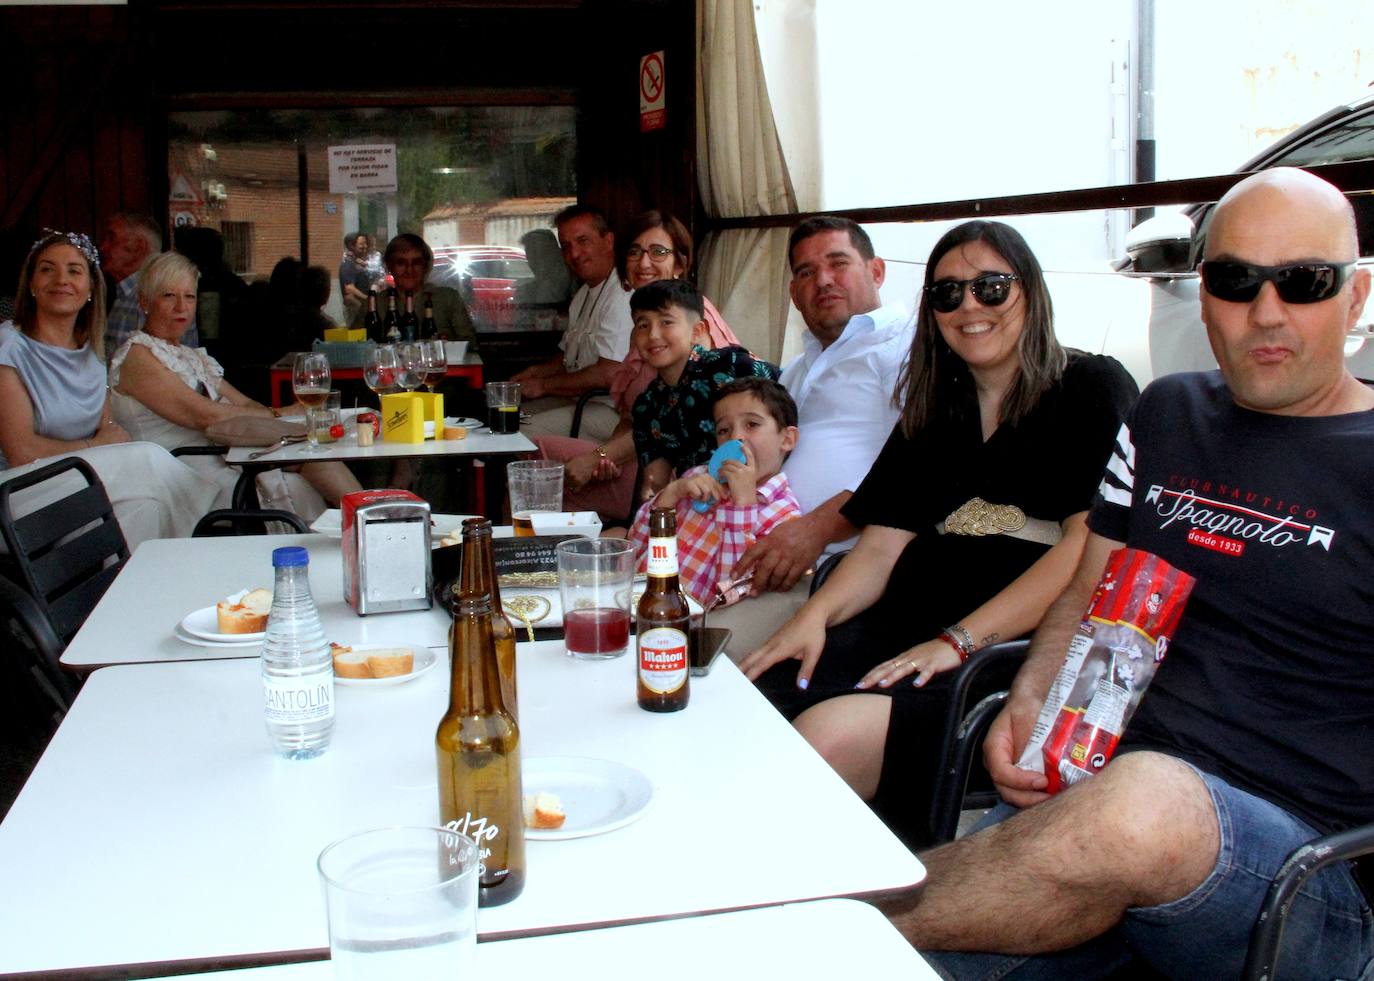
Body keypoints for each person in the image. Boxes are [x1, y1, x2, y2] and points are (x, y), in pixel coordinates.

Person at [891, 168, 1374, 979]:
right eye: (1234, 279)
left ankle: (819, 915)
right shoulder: (1166, 414)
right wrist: (1038, 691)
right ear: (1202, 289)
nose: (1266, 312)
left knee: (1146, 803)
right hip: (1092, 827)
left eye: (1303, 282)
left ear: (1354, 297)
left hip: (1303, 877)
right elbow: (1088, 584)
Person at [740, 220, 1138, 845]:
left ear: (1029, 291)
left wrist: (958, 641)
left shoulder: (1089, 386)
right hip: (904, 624)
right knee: (749, 699)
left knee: (823, 739)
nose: (970, 306)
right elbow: (879, 545)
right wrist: (812, 617)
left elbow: (1084, 552)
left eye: (990, 287)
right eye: (948, 293)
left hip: (1004, 652)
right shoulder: (934, 403)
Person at [713, 216, 914, 658]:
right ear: (793, 292)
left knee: (686, 646)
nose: (822, 280)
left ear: (876, 271)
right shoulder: (799, 367)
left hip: (836, 571)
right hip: (753, 550)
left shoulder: (908, 348)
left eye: (837, 263)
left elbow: (920, 473)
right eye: (805, 272)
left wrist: (816, 529)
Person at [0, 231, 222, 547]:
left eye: (74, 271)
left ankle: (128, 592)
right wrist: (92, 447)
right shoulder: (10, 345)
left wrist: (99, 443)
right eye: (47, 269)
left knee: (146, 506)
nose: (61, 279)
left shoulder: (91, 350)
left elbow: (110, 429)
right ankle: (210, 524)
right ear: (32, 284)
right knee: (146, 457)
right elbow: (21, 452)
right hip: (19, 492)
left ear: (91, 288)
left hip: (77, 481)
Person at [109, 252, 360, 521]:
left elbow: (245, 404)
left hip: (223, 456)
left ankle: (380, 516)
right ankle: (378, 519)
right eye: (169, 296)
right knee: (299, 476)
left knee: (310, 453)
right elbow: (205, 415)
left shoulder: (191, 356)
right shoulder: (137, 355)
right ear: (145, 302)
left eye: (189, 296)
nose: (181, 307)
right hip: (183, 473)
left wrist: (284, 415)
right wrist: (280, 414)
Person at [531, 210, 742, 521]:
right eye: (634, 252)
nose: (644, 263)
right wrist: (606, 455)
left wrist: (599, 456)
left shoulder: (692, 323)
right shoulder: (645, 322)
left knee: (536, 473)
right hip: (634, 457)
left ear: (680, 264)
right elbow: (637, 413)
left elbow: (673, 419)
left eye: (658, 252)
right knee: (533, 472)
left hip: (680, 479)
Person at [627, 377, 802, 605]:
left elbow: (731, 595)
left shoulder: (784, 519)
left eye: (752, 424)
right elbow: (636, 543)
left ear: (787, 439)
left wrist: (743, 506)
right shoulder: (697, 477)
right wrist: (671, 494)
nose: (735, 437)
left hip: (693, 625)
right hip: (635, 600)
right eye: (723, 429)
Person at [628, 279, 779, 486]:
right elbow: (655, 484)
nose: (653, 335)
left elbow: (787, 412)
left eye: (666, 322)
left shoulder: (733, 365)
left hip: (762, 495)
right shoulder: (647, 405)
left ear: (697, 332)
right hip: (697, 503)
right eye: (643, 325)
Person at [512, 205, 634, 443]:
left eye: (583, 241)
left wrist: (544, 385)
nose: (574, 254)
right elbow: (568, 356)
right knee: (509, 418)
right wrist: (535, 373)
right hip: (582, 401)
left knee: (520, 434)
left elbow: (609, 374)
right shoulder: (583, 294)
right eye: (566, 246)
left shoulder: (622, 293)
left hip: (614, 412)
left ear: (608, 241)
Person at [348, 233, 476, 343]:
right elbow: (353, 348)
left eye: (416, 263)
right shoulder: (373, 306)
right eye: (401, 263)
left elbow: (471, 345)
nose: (409, 270)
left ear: (425, 266)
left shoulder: (448, 299)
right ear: (389, 267)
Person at [100, 213, 196, 358]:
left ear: (138, 247)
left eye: (112, 238)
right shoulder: (120, 292)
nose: (103, 247)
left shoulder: (157, 296)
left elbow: (173, 366)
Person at [338, 231, 374, 319]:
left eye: (366, 243)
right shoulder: (348, 264)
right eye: (362, 244)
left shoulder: (356, 262)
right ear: (351, 246)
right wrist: (367, 299)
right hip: (356, 310)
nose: (365, 246)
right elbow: (349, 288)